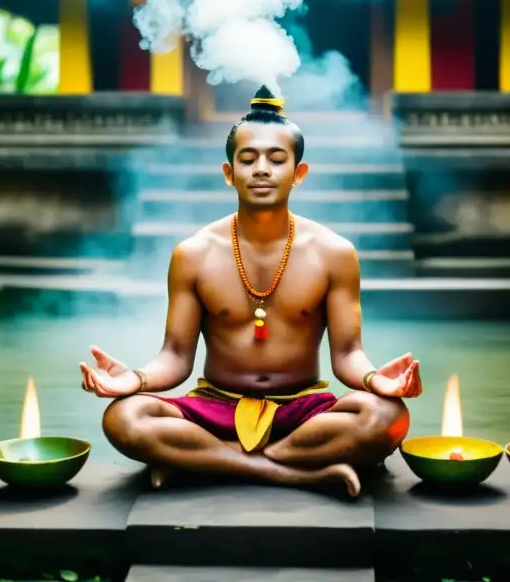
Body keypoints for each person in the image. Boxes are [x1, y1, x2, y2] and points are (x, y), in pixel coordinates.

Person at [80, 86, 422, 498]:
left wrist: (374, 379)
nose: (262, 169)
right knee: (124, 418)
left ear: (299, 173)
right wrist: (134, 379)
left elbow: (347, 354)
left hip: (303, 411)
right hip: (214, 406)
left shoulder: (335, 253)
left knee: (387, 417)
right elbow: (175, 356)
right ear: (229, 173)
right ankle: (294, 472)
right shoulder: (193, 253)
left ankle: (203, 462)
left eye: (277, 159)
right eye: (248, 159)